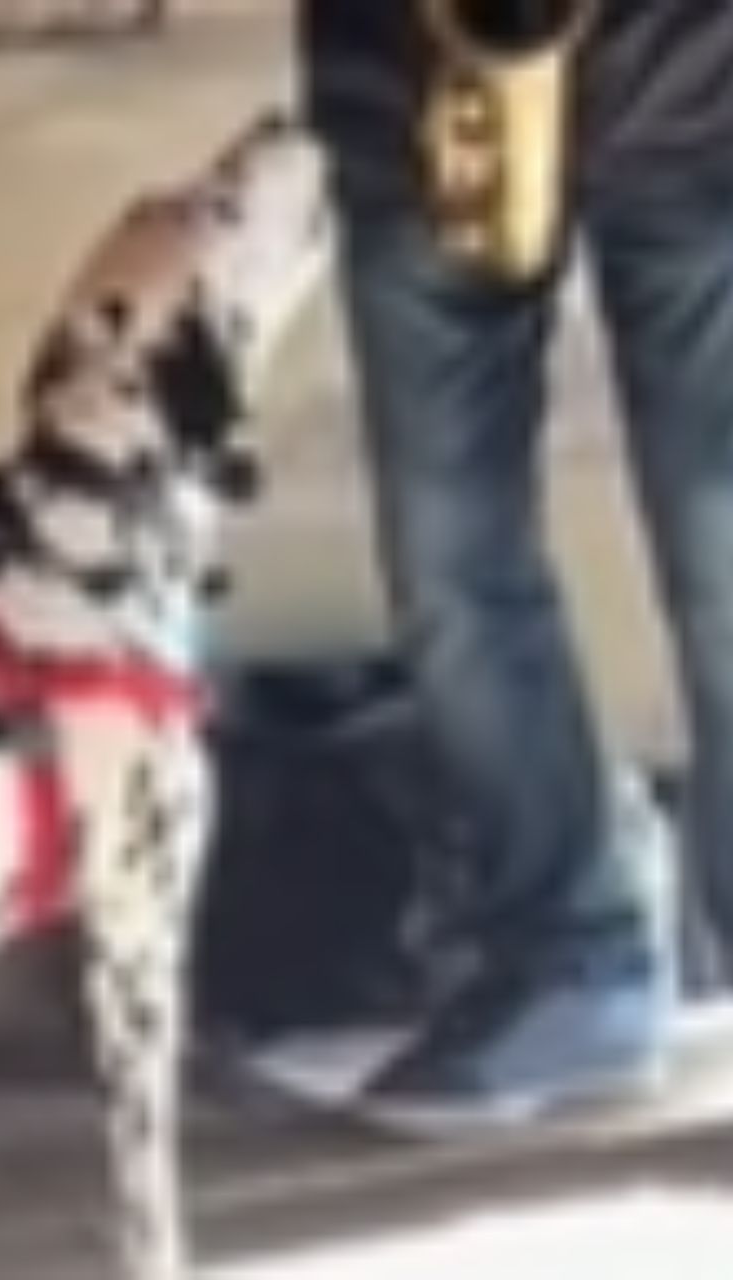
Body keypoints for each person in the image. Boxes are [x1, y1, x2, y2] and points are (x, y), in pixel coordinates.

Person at [294, 1, 733, 1133]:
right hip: (418, 108)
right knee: (451, 554)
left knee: (721, 540)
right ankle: (563, 962)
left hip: (694, 99)